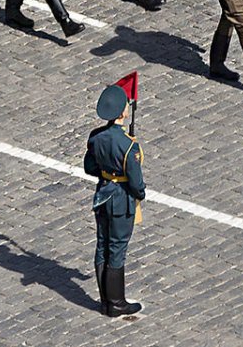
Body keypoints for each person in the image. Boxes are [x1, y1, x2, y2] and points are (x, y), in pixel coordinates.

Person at [84, 83, 145, 319]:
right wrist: (140, 193)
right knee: (117, 248)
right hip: (121, 199)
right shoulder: (129, 145)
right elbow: (136, 182)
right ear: (122, 113)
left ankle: (104, 301)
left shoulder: (95, 137)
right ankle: (117, 303)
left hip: (103, 194)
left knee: (102, 245)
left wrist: (106, 173)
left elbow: (90, 167)